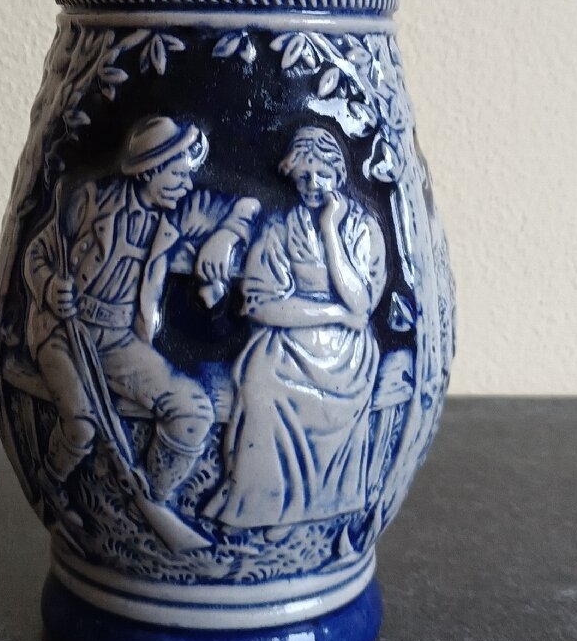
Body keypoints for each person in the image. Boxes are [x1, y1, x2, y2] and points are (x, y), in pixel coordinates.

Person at [23, 116, 259, 517]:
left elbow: (247, 207)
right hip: (62, 332)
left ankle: (149, 500)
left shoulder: (177, 215)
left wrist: (225, 236)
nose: (187, 184)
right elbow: (37, 253)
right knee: (81, 426)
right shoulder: (89, 202)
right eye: (178, 175)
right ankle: (51, 486)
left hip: (118, 340)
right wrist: (49, 287)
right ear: (149, 170)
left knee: (193, 410)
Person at [203, 127, 386, 530]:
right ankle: (263, 507)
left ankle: (326, 507)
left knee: (297, 387)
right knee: (260, 384)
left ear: (339, 174)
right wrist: (331, 314)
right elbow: (259, 305)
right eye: (303, 176)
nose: (312, 185)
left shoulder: (361, 228)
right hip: (289, 340)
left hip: (346, 353)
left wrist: (330, 231)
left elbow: (361, 303)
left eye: (321, 174)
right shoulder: (281, 229)